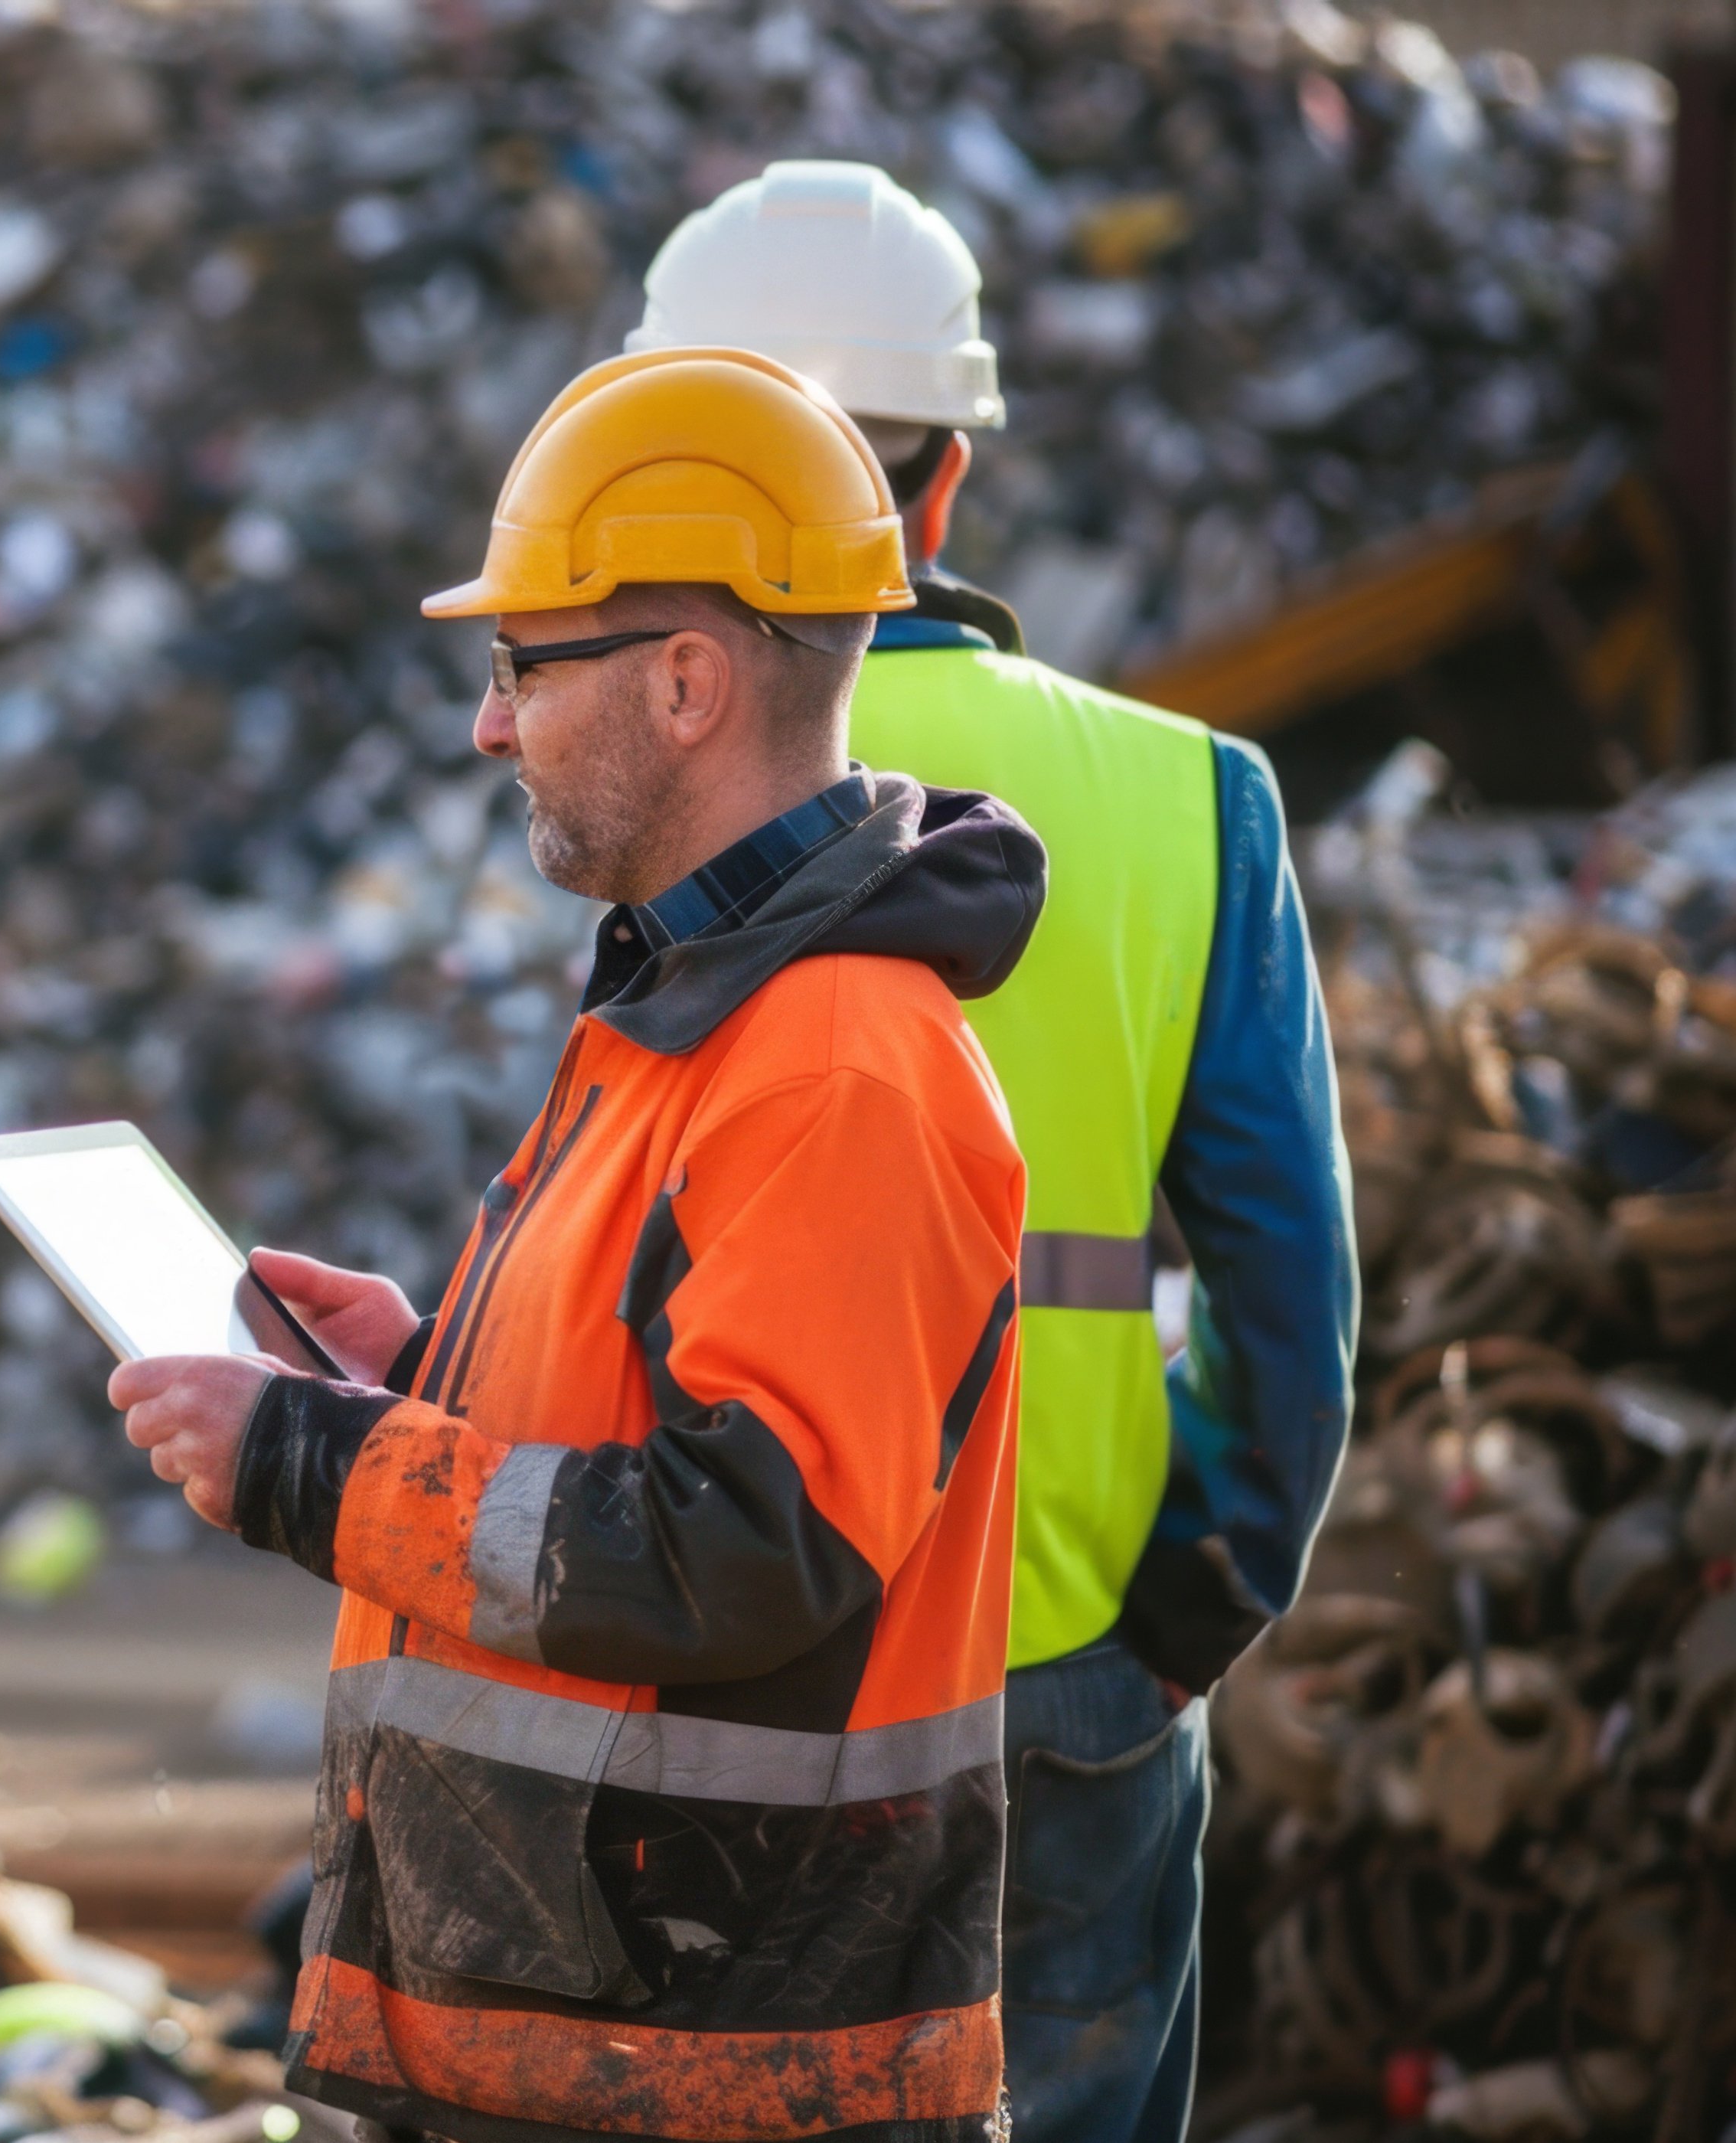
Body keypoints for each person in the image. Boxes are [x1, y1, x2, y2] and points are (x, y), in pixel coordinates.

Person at [113, 345, 1046, 2143]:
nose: (486, 723)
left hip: (716, 2062)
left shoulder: (833, 1059)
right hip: (603, 2036)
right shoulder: (690, 1011)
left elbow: (742, 1553)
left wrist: (314, 1459)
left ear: (688, 681)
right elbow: (635, 1438)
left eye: (518, 665)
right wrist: (410, 1374)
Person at [628, 161, 1361, 2143]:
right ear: (945, 483)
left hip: (751, 1665)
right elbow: (1289, 1294)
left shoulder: (670, 775)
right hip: (1073, 1653)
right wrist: (1184, 1614)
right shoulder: (1192, 798)